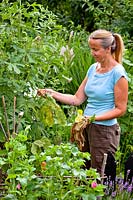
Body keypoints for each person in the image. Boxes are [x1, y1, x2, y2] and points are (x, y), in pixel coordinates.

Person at [37, 29, 128, 175]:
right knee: (82, 171)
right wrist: (51, 93)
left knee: (100, 174)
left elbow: (120, 109)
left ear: (108, 49)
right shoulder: (93, 69)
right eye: (91, 48)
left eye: (95, 49)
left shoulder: (118, 73)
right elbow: (77, 99)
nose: (92, 53)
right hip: (85, 127)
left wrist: (93, 118)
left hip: (104, 131)